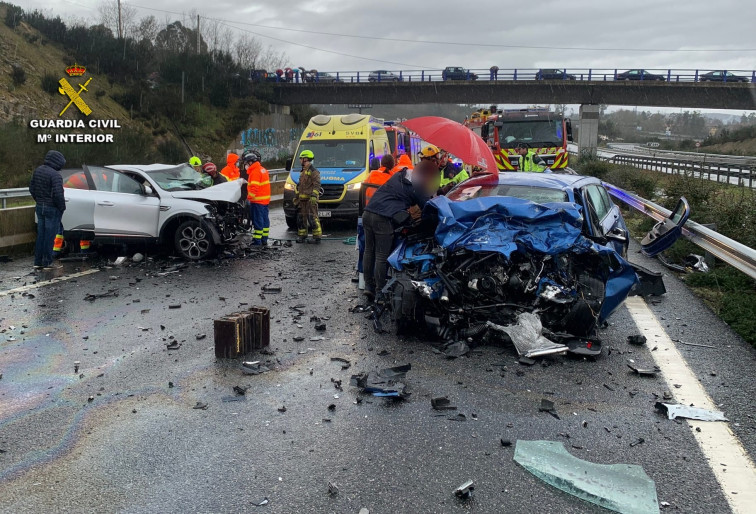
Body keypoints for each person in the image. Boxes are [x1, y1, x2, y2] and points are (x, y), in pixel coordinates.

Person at [361, 160, 439, 303]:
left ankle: (368, 287)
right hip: (383, 218)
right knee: (381, 256)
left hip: (368, 213)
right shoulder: (418, 187)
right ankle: (380, 293)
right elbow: (429, 208)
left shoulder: (399, 175)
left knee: (368, 251)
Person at [29, 150, 66, 270]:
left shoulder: (38, 170)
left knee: (41, 235)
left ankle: (37, 261)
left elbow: (32, 188)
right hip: (52, 208)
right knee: (50, 236)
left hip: (40, 207)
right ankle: (47, 262)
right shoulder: (55, 175)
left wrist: (39, 200)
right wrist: (61, 207)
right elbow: (58, 195)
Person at [294, 150, 322, 243]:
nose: (300, 160)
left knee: (312, 218)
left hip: (310, 200)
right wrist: (297, 197)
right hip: (302, 200)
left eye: (301, 159)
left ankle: (317, 237)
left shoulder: (313, 171)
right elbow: (301, 186)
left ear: (305, 159)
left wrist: (314, 195)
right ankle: (302, 236)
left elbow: (317, 185)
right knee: (301, 218)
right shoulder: (303, 171)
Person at [244, 150, 271, 245]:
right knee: (264, 221)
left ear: (251, 162)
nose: (246, 165)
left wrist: (249, 198)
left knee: (258, 221)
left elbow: (254, 188)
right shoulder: (263, 170)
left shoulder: (255, 172)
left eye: (246, 163)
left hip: (257, 201)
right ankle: (264, 239)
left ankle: (257, 241)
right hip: (264, 201)